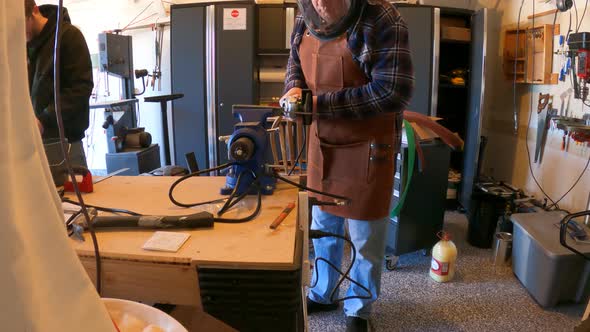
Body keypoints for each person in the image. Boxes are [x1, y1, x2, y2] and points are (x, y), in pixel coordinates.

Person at [282, 0, 414, 331]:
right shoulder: (305, 17)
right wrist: (293, 88)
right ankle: (322, 293)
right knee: (323, 226)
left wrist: (318, 104)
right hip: (323, 145)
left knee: (364, 236)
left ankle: (359, 309)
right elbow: (294, 62)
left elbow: (393, 92)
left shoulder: (382, 18)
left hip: (368, 147)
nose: (321, 4)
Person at [25, 0, 93, 167]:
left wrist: (43, 120)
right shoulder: (24, 46)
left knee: (71, 191)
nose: (19, 33)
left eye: (22, 24)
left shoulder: (68, 36)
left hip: (66, 145)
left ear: (34, 11)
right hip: (33, 146)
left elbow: (80, 89)